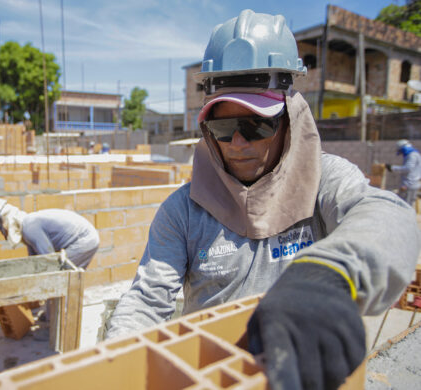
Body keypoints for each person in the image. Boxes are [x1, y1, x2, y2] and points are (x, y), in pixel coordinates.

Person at [106, 10, 420, 390]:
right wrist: (113, 363)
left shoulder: (324, 181)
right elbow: (146, 300)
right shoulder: (184, 210)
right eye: (223, 128)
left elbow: (390, 217)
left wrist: (332, 274)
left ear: (289, 120)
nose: (238, 144)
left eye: (257, 125)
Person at [0, 198, 99, 268]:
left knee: (59, 273)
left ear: (2, 221)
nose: (1, 232)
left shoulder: (29, 227)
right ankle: (56, 309)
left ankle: (61, 310)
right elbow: (34, 260)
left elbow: (48, 259)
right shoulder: (26, 226)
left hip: (83, 240)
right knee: (60, 274)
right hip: (85, 238)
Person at [386, 139, 421, 206]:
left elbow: (408, 169)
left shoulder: (412, 155)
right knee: (409, 205)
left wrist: (392, 168)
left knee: (405, 206)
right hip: (413, 183)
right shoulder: (416, 154)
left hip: (409, 184)